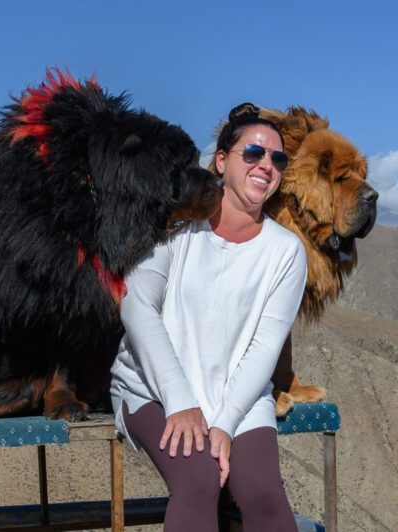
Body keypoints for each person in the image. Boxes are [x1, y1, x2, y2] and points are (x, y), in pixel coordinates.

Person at [109, 103, 307, 531]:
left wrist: (225, 422)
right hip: (156, 390)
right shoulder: (177, 225)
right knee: (198, 480)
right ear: (221, 161)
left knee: (264, 495)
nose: (266, 166)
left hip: (238, 397)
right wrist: (181, 403)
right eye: (253, 153)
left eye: (278, 158)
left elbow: (266, 346)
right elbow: (137, 305)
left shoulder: (286, 252)